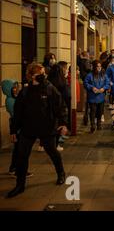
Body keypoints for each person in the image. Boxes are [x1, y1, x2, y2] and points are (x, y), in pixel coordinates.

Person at [7, 63, 67, 198]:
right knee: (22, 157)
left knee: (52, 152)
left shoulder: (49, 89)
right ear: (32, 76)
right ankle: (20, 185)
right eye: (40, 74)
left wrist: (63, 124)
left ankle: (61, 173)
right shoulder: (25, 92)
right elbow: (18, 113)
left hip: (47, 128)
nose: (43, 76)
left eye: (44, 73)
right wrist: (13, 131)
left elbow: (60, 106)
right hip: (28, 129)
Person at [1, 80, 33, 177]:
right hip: (17, 126)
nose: (16, 89)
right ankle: (16, 169)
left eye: (16, 87)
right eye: (13, 88)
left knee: (19, 149)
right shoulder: (10, 101)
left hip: (19, 125)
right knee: (19, 149)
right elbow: (17, 114)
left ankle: (14, 168)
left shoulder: (16, 98)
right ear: (7, 90)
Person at [47, 63, 70, 151]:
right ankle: (56, 144)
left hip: (49, 106)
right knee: (58, 125)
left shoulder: (49, 81)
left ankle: (43, 144)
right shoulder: (62, 82)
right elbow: (66, 95)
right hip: (59, 106)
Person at [84, 60, 110, 133]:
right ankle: (92, 125)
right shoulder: (90, 75)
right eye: (97, 66)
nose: (99, 68)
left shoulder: (103, 75)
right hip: (92, 97)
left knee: (100, 112)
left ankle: (99, 124)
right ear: (94, 67)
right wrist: (92, 87)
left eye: (100, 66)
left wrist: (104, 88)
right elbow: (85, 83)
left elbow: (107, 83)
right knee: (92, 112)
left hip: (101, 97)